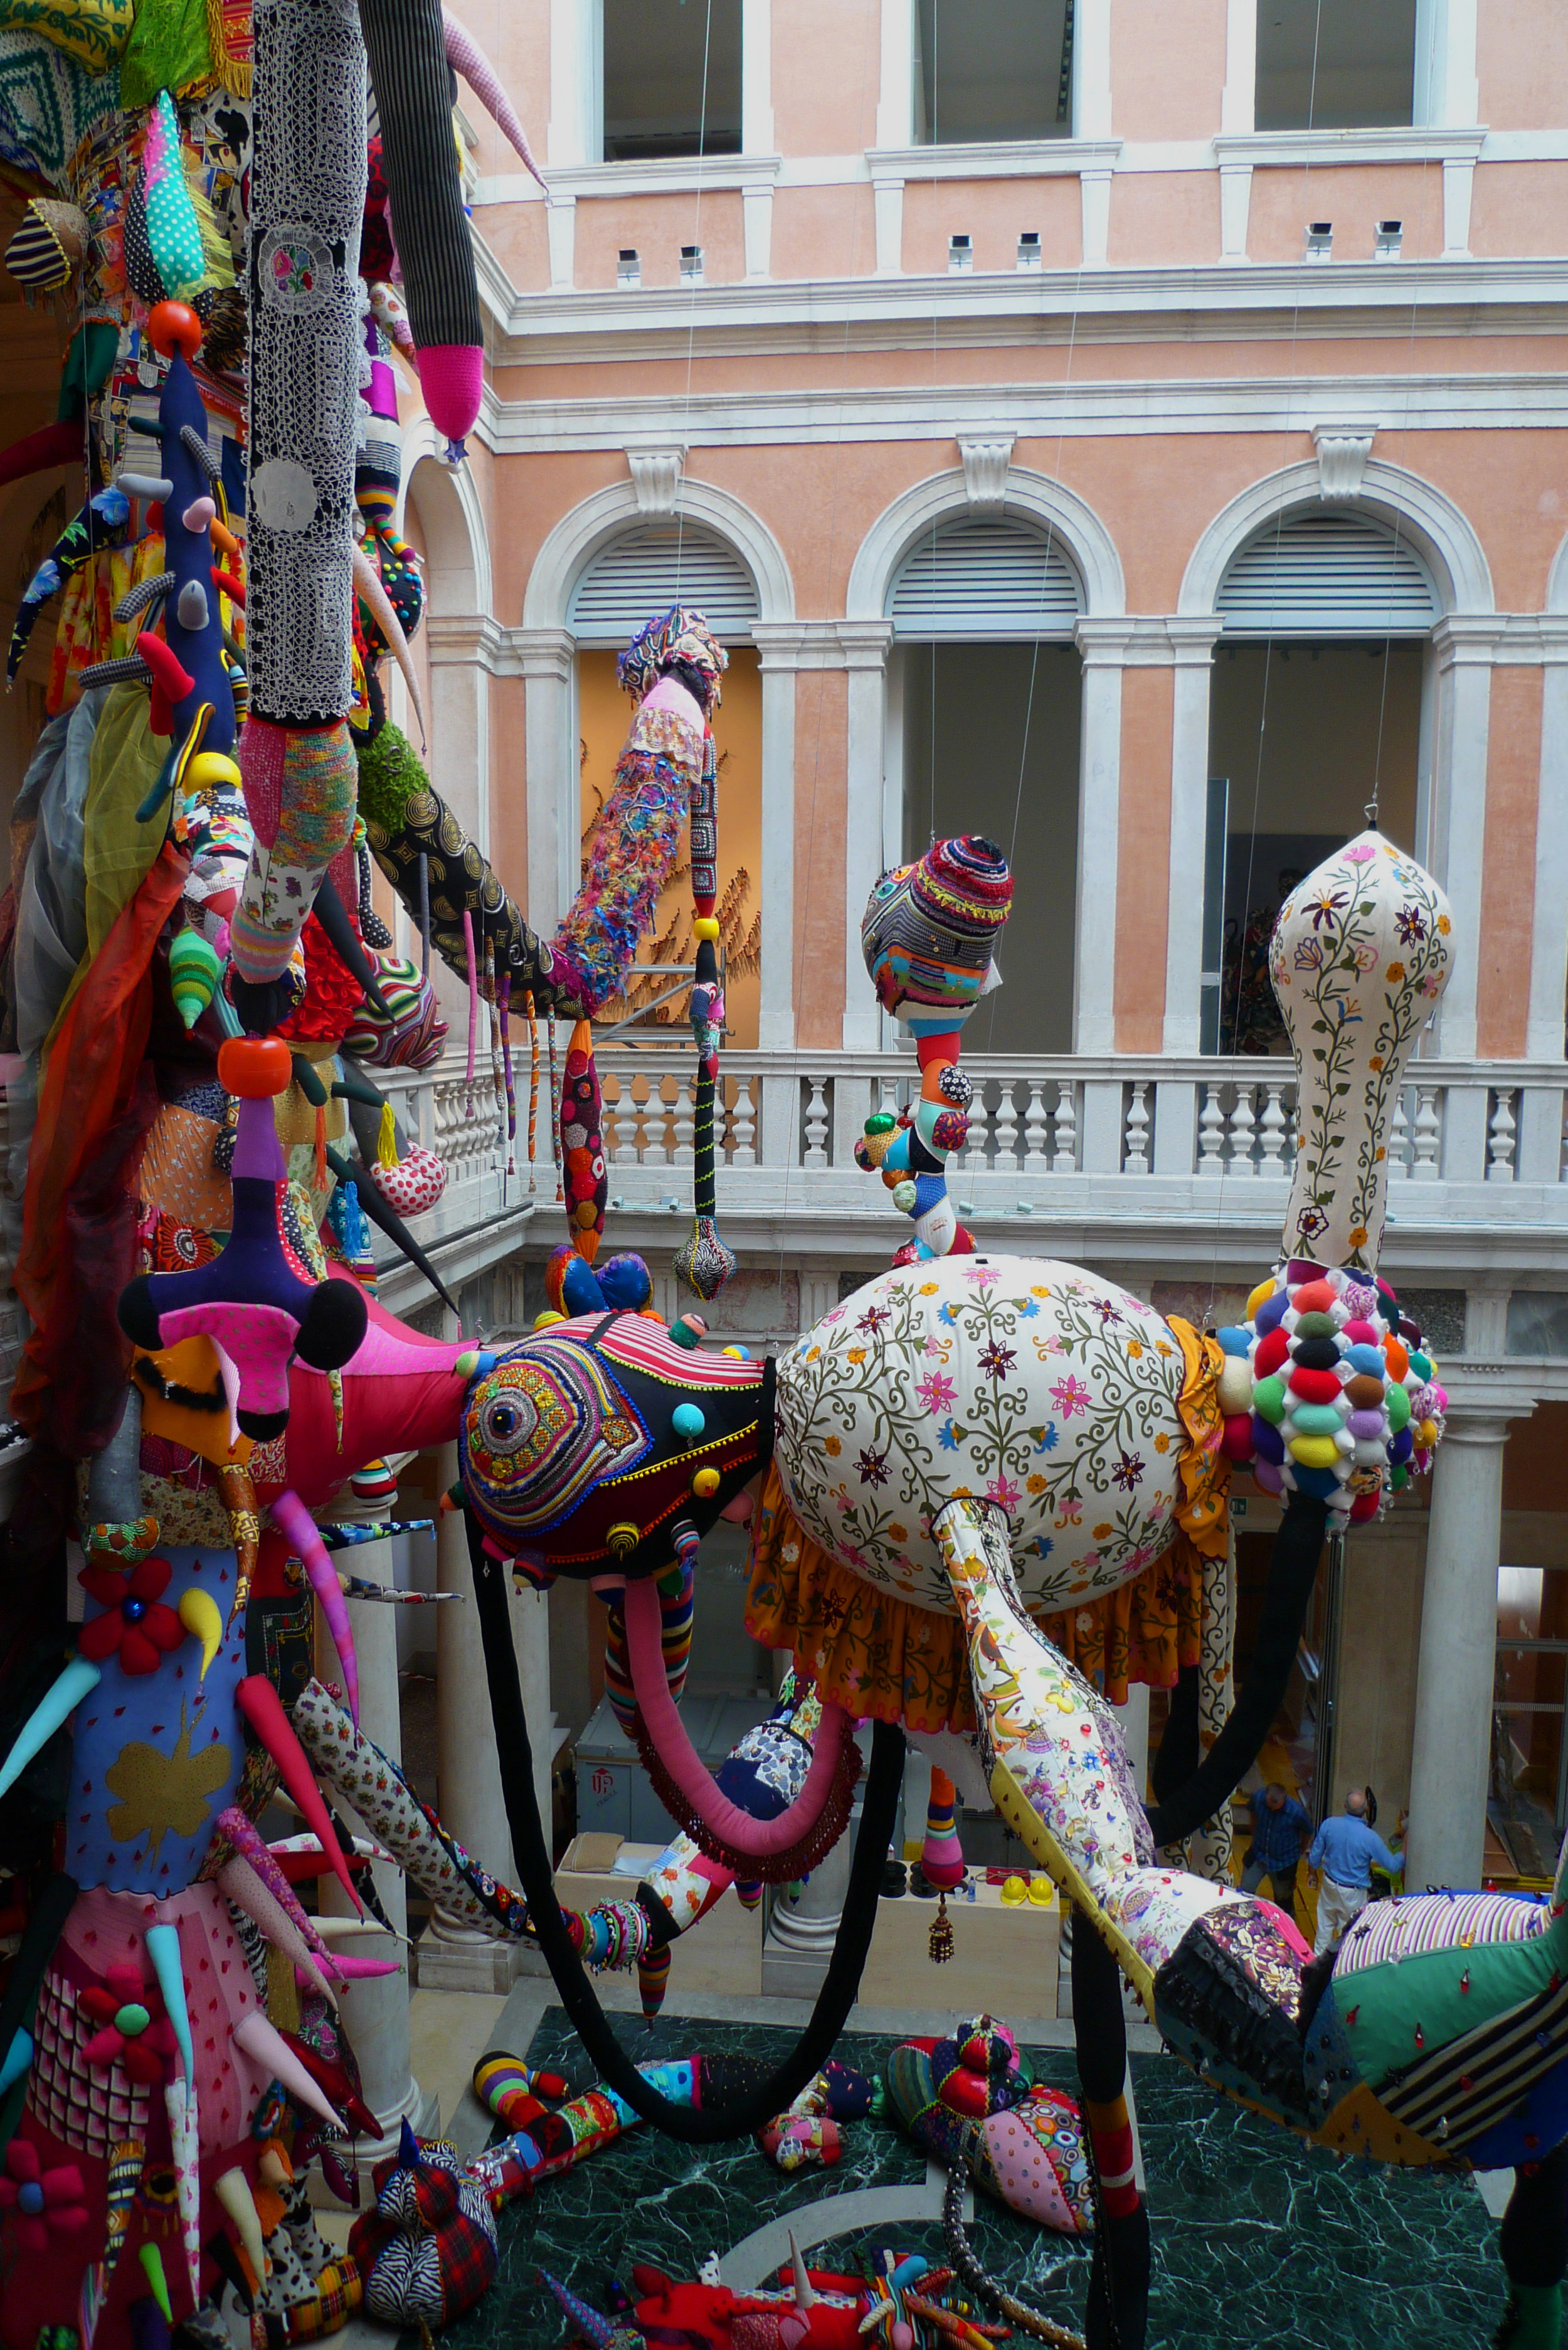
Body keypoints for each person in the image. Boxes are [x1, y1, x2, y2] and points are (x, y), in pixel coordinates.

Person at [1308, 1787, 1408, 1954]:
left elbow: (1314, 1857)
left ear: (1344, 1805)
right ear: (1366, 1810)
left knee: (1324, 1929)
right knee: (1348, 1937)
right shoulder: (1370, 1837)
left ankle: (1316, 1967)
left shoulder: (1329, 1825)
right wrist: (1405, 1847)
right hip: (1354, 1894)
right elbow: (1393, 1866)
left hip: (1329, 1885)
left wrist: (1312, 1874)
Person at [1240, 1780, 1311, 1923]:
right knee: (1245, 1891)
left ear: (1283, 1801)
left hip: (1284, 1862)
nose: (1271, 1808)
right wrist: (1253, 1832)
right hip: (1258, 1854)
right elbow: (1252, 1812)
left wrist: (1301, 1849)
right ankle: (1243, 1921)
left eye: (1275, 1805)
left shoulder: (1297, 1812)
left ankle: (1286, 1927)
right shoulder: (1259, 1798)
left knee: (1284, 1899)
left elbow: (1307, 1831)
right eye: (1269, 1805)